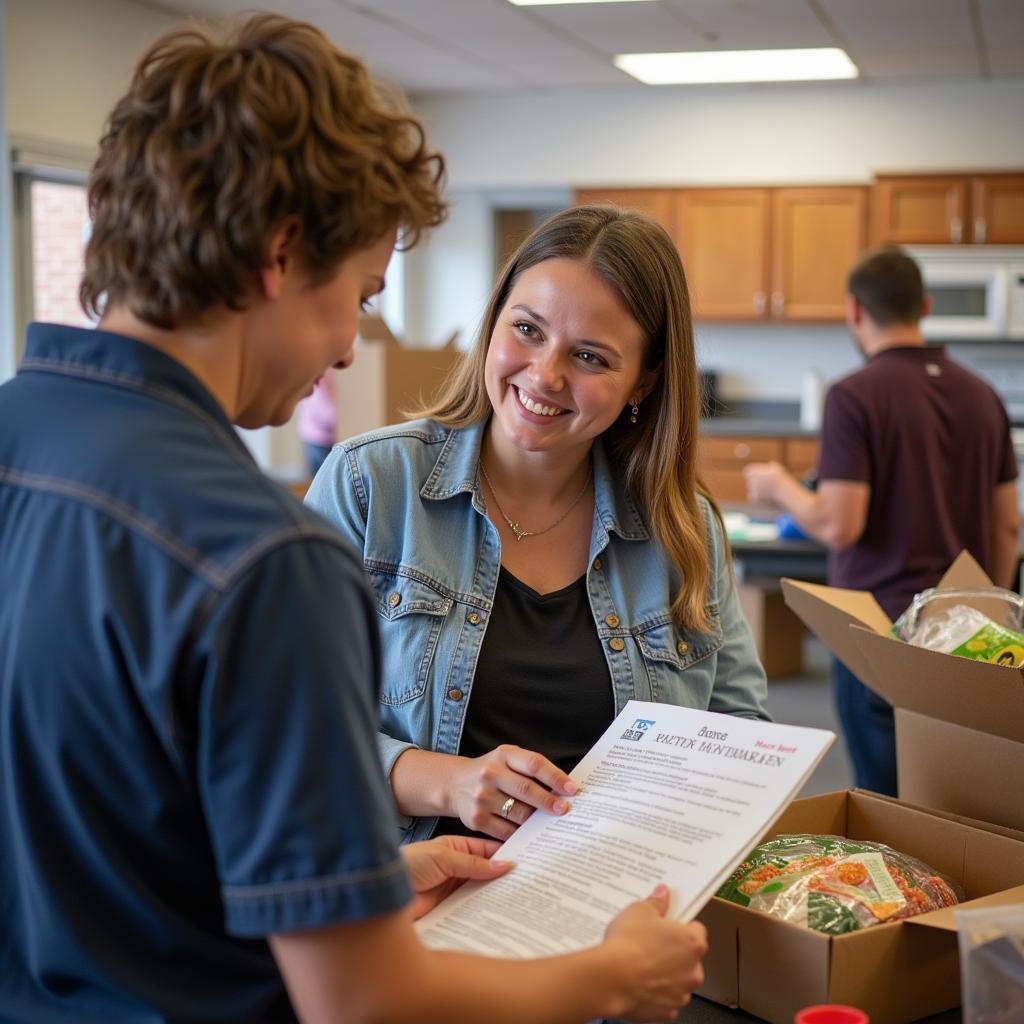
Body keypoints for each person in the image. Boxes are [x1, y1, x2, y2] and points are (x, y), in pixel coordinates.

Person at [0, 16, 708, 1024]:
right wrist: (616, 973)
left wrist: (350, 888)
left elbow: (112, 836)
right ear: (282, 256)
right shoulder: (266, 559)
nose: (347, 348)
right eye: (361, 295)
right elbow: (363, 1002)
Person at [305, 204, 770, 846]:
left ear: (643, 382)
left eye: (590, 356)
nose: (545, 375)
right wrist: (448, 782)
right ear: (493, 322)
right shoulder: (372, 484)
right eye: (526, 329)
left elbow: (738, 728)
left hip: (615, 897)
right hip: (414, 893)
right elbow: (287, 721)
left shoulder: (682, 528)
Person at [744, 245, 1020, 797]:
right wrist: (984, 618)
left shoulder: (853, 396)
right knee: (958, 795)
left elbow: (840, 524)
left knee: (885, 796)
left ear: (853, 311)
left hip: (878, 633)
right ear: (924, 306)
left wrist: (780, 487)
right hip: (966, 639)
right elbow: (1009, 528)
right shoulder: (983, 396)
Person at [297, 371, 338, 478]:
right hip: (318, 436)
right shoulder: (322, 372)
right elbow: (322, 403)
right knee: (322, 477)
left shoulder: (325, 370)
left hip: (314, 433)